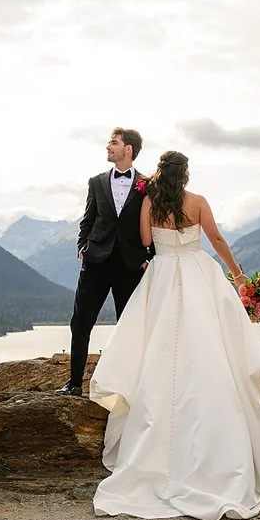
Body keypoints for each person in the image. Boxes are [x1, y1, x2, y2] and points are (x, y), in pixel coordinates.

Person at [90, 151, 260, 520]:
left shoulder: (149, 202)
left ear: (161, 174)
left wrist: (160, 247)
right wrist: (238, 276)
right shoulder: (197, 202)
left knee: (155, 351)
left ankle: (149, 457)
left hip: (161, 276)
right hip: (197, 273)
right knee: (209, 349)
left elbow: (146, 239)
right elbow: (217, 239)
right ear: (187, 174)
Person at [62, 128, 154, 396]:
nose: (108, 147)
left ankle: (129, 387)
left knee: (129, 327)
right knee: (80, 323)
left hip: (130, 266)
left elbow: (154, 224)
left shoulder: (147, 185)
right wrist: (83, 246)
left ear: (129, 149)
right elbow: (88, 219)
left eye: (113, 143)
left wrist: (149, 258)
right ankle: (74, 384)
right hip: (96, 263)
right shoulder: (96, 182)